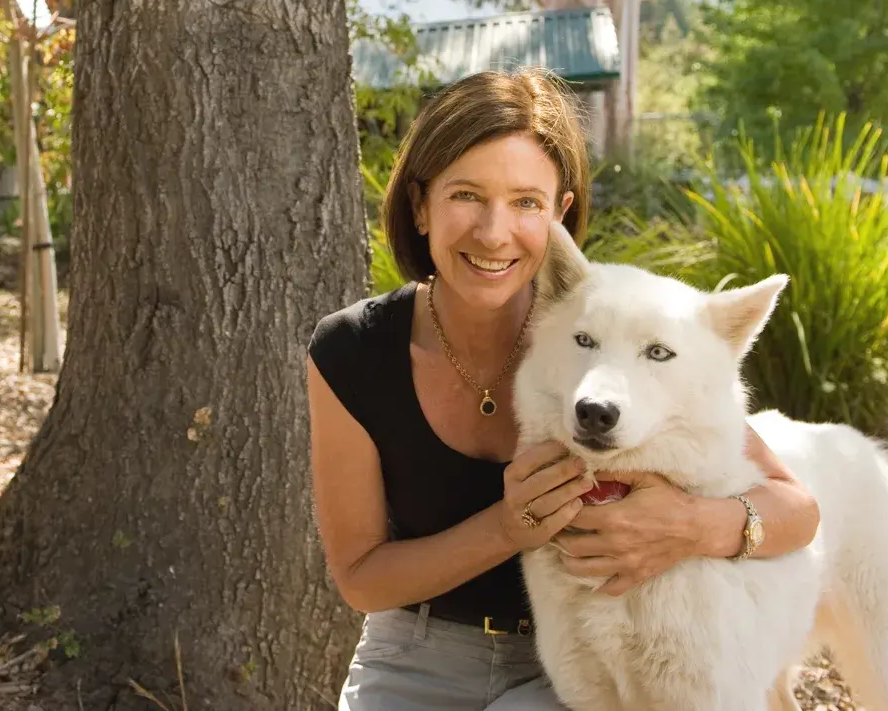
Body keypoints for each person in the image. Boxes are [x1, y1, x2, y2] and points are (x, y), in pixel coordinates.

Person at [306, 69, 821, 710]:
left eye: (526, 202)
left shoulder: (599, 332)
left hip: (589, 658)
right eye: (466, 194)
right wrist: (508, 527)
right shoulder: (353, 350)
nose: (494, 233)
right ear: (420, 204)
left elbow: (796, 512)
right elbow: (361, 579)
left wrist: (695, 524)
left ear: (560, 214)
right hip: (417, 658)